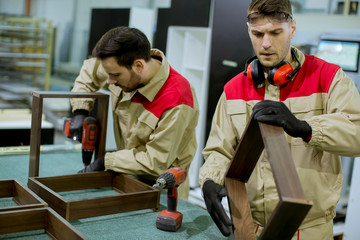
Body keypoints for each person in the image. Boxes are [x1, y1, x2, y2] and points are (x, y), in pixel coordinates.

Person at [199, 0, 360, 239]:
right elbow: (219, 151)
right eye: (258, 34)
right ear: (248, 31)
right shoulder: (234, 88)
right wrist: (209, 180)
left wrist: (306, 128)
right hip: (249, 228)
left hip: (309, 231)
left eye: (275, 33)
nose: (265, 44)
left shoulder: (328, 78)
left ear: (292, 29)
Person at [69, 26, 199, 200]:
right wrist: (80, 109)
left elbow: (155, 162)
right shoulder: (118, 65)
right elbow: (89, 72)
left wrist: (106, 161)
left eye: (115, 75)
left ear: (138, 65)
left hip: (161, 193)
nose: (110, 82)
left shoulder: (177, 98)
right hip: (126, 177)